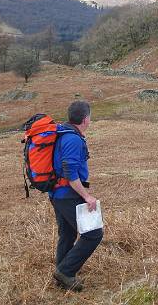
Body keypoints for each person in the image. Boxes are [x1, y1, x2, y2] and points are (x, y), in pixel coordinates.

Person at [50, 100, 103, 291]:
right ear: (85, 119)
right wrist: (87, 196)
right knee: (93, 234)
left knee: (67, 234)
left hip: (58, 194)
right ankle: (65, 272)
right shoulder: (72, 139)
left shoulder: (65, 133)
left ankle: (61, 274)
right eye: (90, 116)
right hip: (67, 194)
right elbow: (70, 173)